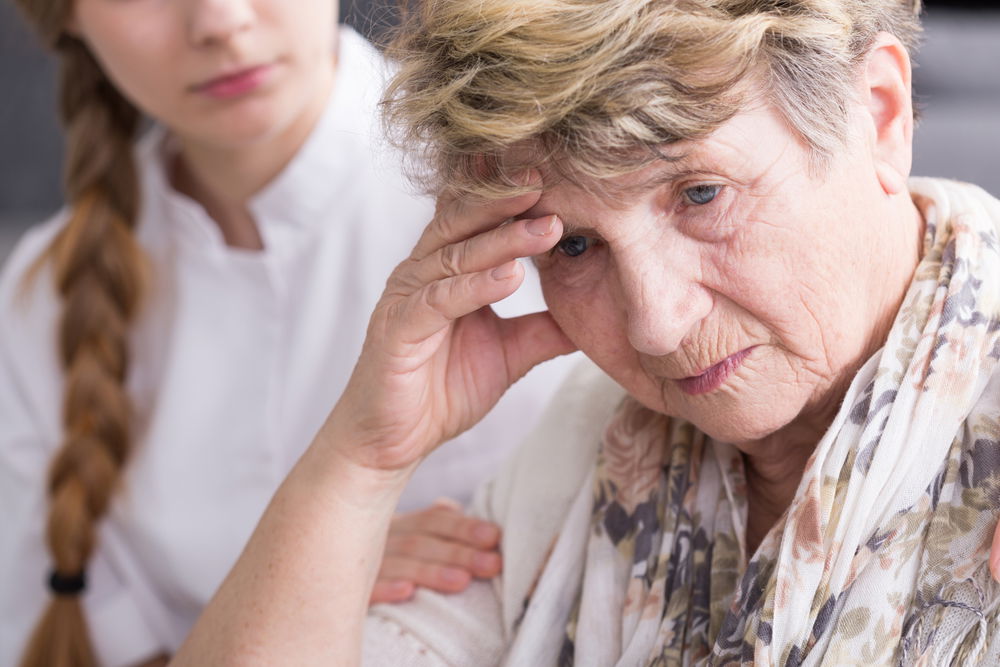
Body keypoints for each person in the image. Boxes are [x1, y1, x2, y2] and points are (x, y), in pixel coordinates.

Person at [162, 0, 1000, 664]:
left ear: (880, 114)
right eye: (573, 245)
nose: (656, 324)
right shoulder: (586, 446)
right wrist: (359, 461)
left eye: (700, 194)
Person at [0, 1, 578, 665]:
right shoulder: (40, 301)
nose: (218, 22)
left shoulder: (530, 180)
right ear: (64, 16)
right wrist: (310, 564)